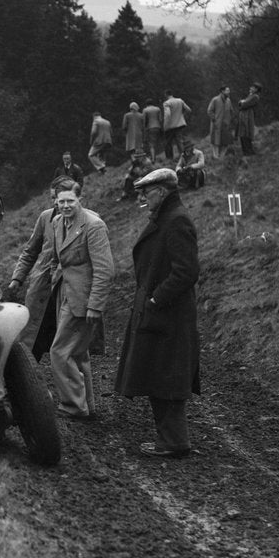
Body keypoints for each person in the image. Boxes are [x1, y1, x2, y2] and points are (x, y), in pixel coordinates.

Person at [115, 168, 200, 458]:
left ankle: (174, 442)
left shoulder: (176, 221)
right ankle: (170, 439)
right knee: (158, 373)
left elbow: (187, 271)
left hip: (168, 315)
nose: (143, 197)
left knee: (167, 376)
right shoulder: (167, 217)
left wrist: (155, 300)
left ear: (161, 192)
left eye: (147, 192)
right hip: (161, 313)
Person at [44, 179, 114, 420]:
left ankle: (73, 406)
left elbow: (105, 270)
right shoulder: (56, 222)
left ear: (80, 199)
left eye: (70, 201)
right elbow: (57, 256)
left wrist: (95, 305)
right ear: (55, 201)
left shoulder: (93, 226)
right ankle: (87, 405)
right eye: (60, 201)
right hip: (64, 292)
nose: (65, 205)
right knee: (77, 352)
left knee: (59, 352)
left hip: (83, 298)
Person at [7, 176, 69, 353]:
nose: (56, 202)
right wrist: (17, 278)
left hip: (66, 286)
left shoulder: (85, 221)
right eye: (52, 198)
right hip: (41, 283)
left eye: (59, 197)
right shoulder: (45, 218)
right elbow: (30, 251)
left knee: (66, 344)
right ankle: (27, 376)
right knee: (30, 337)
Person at [206, 86, 235, 158]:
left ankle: (221, 157)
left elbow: (231, 111)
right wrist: (215, 119)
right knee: (216, 142)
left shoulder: (228, 101)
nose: (229, 92)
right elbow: (209, 111)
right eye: (227, 90)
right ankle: (216, 157)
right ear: (222, 91)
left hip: (226, 125)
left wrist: (231, 120)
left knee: (226, 142)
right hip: (217, 125)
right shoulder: (215, 100)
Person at [162, 90, 192, 161]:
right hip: (180, 124)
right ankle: (184, 157)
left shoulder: (167, 103)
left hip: (171, 126)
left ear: (166, 95)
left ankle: (170, 158)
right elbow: (189, 110)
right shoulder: (180, 100)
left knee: (168, 143)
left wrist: (165, 126)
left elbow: (168, 115)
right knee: (179, 141)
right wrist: (182, 116)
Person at [236, 82, 262, 155]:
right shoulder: (250, 96)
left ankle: (248, 151)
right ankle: (246, 151)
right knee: (242, 134)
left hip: (248, 117)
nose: (251, 88)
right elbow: (240, 103)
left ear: (256, 89)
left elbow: (244, 104)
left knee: (246, 134)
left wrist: (242, 102)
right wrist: (242, 102)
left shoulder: (255, 97)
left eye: (253, 88)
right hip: (244, 117)